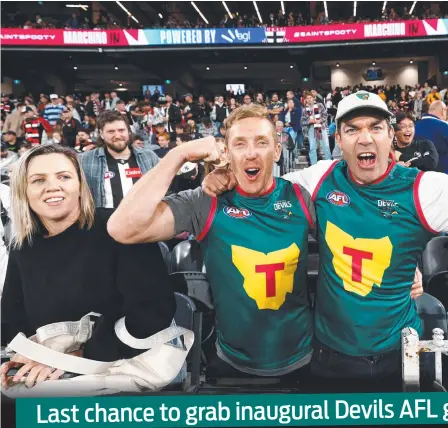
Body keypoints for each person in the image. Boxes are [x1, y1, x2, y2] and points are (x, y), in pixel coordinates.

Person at [202, 90, 448, 388]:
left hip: (399, 355)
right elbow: (261, 190)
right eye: (352, 130)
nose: (365, 138)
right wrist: (224, 176)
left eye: (376, 128)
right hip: (327, 357)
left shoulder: (423, 189)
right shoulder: (319, 178)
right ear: (339, 140)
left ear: (391, 135)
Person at [107, 104, 317, 379]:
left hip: (304, 359)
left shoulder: (301, 197)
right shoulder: (205, 202)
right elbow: (122, 229)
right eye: (240, 144)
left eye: (262, 143)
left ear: (277, 151)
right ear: (226, 153)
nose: (251, 153)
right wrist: (178, 155)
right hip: (231, 362)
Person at [0, 144, 175, 389]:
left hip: (120, 366)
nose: (53, 186)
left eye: (64, 177)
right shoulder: (23, 247)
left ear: (80, 186)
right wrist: (27, 354)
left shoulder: (120, 229)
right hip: (49, 370)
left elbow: (153, 312)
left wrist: (79, 358)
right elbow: (12, 318)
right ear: (23, 191)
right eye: (38, 180)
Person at [79, 110, 160, 209]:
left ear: (128, 131)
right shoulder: (86, 160)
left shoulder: (148, 157)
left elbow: (162, 188)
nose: (117, 136)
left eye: (121, 130)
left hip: (143, 221)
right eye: (111, 131)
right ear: (101, 134)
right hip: (104, 223)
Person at [415, 100, 448, 174]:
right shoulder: (444, 126)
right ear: (443, 111)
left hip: (421, 176)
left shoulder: (415, 126)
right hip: (444, 176)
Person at [302, 93, 332, 166]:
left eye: (310, 98)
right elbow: (302, 121)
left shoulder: (319, 105)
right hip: (311, 128)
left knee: (326, 146)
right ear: (306, 100)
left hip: (321, 127)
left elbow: (325, 114)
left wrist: (320, 120)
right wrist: (309, 121)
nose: (309, 99)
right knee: (312, 148)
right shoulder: (304, 109)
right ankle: (314, 166)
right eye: (307, 98)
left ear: (313, 98)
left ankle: (329, 164)